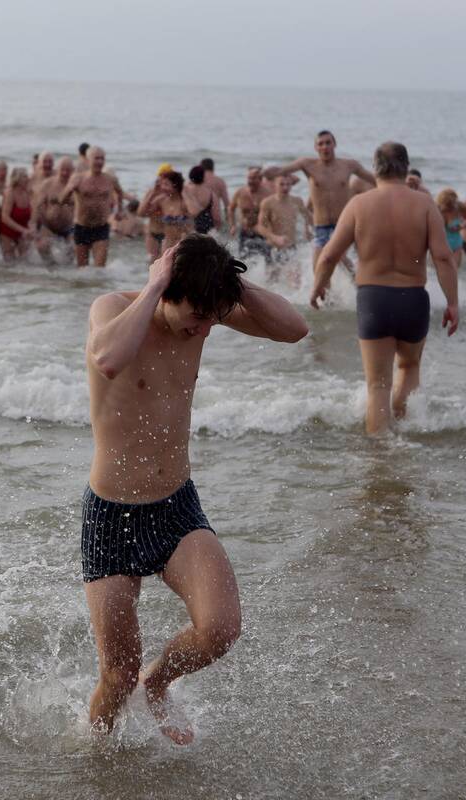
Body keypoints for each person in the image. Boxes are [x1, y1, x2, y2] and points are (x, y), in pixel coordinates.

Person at [83, 234, 307, 743]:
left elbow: (295, 330)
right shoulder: (114, 308)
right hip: (111, 514)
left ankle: (159, 683)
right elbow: (108, 358)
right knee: (117, 675)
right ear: (168, 290)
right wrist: (155, 284)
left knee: (220, 629)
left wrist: (230, 283)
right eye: (197, 316)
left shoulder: (204, 311)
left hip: (176, 507)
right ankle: (94, 757)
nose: (204, 329)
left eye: (213, 318)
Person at [310, 142, 458, 435]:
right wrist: (453, 302)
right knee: (409, 368)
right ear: (406, 167)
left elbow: (328, 256)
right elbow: (443, 257)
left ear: (375, 168)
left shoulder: (359, 204)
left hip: (374, 300)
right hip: (413, 297)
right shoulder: (424, 204)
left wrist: (318, 287)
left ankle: (379, 450)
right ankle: (403, 433)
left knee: (377, 385)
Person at [263, 131, 377, 278]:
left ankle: (360, 284)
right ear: (316, 148)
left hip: (342, 224)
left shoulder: (349, 165)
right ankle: (331, 293)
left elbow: (377, 180)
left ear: (334, 144)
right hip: (321, 227)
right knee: (318, 270)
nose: (325, 147)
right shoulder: (308, 164)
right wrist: (267, 173)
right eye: (320, 144)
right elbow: (281, 170)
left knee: (338, 259)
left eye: (328, 143)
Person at [60, 146, 124, 267]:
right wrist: (69, 190)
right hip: (81, 227)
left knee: (99, 270)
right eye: (96, 158)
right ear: (88, 160)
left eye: (102, 159)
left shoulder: (110, 179)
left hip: (101, 227)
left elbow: (120, 193)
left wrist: (120, 210)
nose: (100, 162)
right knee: (82, 269)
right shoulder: (78, 178)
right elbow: (62, 200)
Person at [255, 175, 312, 265]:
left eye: (288, 184)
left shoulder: (297, 201)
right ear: (275, 185)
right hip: (273, 247)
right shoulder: (268, 203)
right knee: (274, 273)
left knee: (297, 272)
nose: (285, 187)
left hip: (292, 246)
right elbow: (260, 227)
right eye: (281, 184)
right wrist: (275, 238)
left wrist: (307, 229)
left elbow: (308, 217)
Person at [35, 156, 77, 263]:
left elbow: (82, 208)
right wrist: (43, 222)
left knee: (75, 247)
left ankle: (66, 269)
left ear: (73, 171)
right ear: (57, 169)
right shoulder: (47, 184)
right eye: (62, 170)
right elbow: (38, 206)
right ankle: (52, 267)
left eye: (68, 170)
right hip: (49, 226)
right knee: (42, 246)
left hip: (69, 227)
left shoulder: (76, 186)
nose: (65, 173)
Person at [229, 166, 272, 261]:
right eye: (249, 178)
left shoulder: (267, 194)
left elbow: (273, 214)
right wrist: (232, 225)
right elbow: (231, 209)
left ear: (260, 179)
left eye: (253, 178)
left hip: (262, 233)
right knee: (243, 261)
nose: (250, 181)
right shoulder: (240, 192)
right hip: (245, 232)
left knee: (267, 261)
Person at [0, 167, 35, 262]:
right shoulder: (10, 193)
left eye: (27, 176)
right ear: (17, 179)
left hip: (23, 231)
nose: (28, 178)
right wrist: (23, 230)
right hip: (7, 232)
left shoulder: (27, 193)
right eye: (25, 176)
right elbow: (4, 217)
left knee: (25, 262)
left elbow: (32, 215)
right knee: (10, 264)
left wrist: (31, 228)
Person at [435, 189, 466, 271]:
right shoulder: (436, 209)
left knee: (455, 269)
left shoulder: (459, 207)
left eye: (452, 203)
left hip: (456, 242)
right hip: (441, 243)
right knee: (438, 270)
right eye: (447, 204)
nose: (450, 206)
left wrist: (461, 226)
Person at [186, 166, 220, 235]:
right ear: (203, 177)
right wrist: (217, 230)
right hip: (206, 229)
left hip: (188, 228)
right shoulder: (211, 194)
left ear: (190, 176)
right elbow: (217, 217)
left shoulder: (185, 191)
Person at [199, 158, 231, 228]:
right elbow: (226, 203)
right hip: (215, 215)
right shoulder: (220, 181)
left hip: (198, 215)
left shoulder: (197, 181)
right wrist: (229, 220)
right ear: (213, 167)